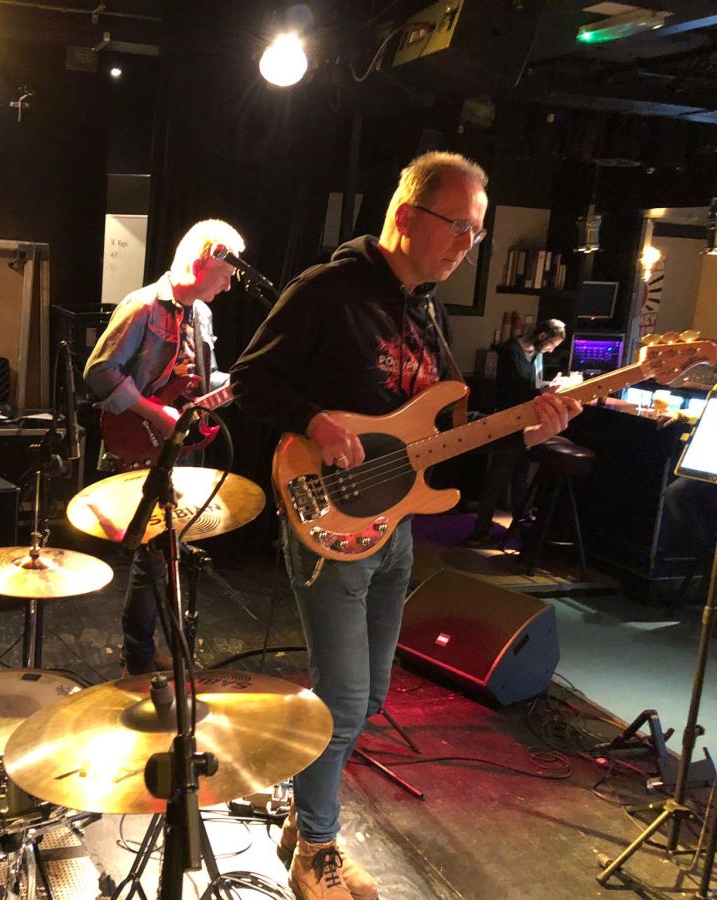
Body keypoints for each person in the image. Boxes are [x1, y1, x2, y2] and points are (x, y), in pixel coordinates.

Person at [230, 152, 581, 900]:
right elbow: (250, 379)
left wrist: (523, 429)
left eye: (476, 233)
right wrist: (315, 420)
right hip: (329, 521)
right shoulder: (328, 291)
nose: (466, 245)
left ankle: (302, 818)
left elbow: (443, 436)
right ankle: (316, 846)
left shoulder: (428, 311)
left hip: (394, 527)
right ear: (405, 216)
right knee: (343, 698)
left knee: (371, 695)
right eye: (457, 226)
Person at [83, 219, 244, 675]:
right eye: (225, 274)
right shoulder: (141, 307)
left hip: (182, 444)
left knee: (162, 554)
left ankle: (151, 655)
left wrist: (239, 383)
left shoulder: (201, 314)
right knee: (155, 557)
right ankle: (144, 660)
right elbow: (98, 372)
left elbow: (203, 379)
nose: (229, 286)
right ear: (201, 263)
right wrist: (155, 414)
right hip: (141, 442)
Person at [463, 318, 567, 546]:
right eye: (552, 344)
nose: (551, 349)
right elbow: (514, 388)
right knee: (496, 478)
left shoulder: (537, 354)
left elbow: (531, 386)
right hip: (507, 420)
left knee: (521, 477)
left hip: (527, 420)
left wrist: (546, 388)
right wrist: (544, 391)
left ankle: (518, 530)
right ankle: (481, 530)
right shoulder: (510, 350)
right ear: (542, 336)